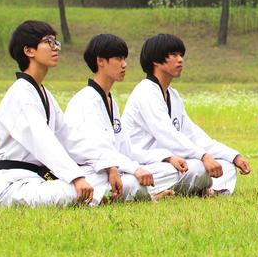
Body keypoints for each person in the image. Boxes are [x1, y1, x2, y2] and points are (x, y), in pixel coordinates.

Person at [0, 20, 109, 207]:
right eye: (48, 41)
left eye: (55, 42)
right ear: (29, 51)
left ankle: (99, 192)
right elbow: (44, 141)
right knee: (71, 190)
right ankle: (98, 196)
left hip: (39, 178)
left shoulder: (43, 93)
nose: (55, 47)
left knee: (101, 174)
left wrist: (107, 164)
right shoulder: (21, 94)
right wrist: (75, 177)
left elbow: (68, 138)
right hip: (12, 183)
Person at [121, 34, 250, 196]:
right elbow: (167, 134)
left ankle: (210, 191)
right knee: (198, 167)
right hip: (143, 162)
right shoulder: (145, 92)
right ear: (155, 60)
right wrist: (203, 156)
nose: (180, 60)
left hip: (170, 162)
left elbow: (193, 135)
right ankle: (159, 192)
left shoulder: (172, 95)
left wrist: (233, 155)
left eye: (181, 55)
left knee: (226, 165)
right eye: (174, 55)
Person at [60, 34, 181, 202]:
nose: (124, 64)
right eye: (118, 58)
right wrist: (133, 169)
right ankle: (144, 195)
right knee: (132, 182)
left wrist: (166, 157)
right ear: (100, 61)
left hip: (116, 168)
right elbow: (99, 151)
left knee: (168, 170)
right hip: (92, 171)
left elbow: (127, 150)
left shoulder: (111, 101)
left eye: (124, 58)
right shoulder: (86, 100)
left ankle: (140, 193)